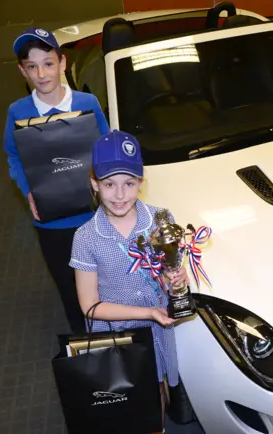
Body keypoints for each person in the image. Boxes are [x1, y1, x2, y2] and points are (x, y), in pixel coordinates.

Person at [70, 130, 192, 426]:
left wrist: (177, 282)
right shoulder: (86, 238)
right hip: (117, 335)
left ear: (141, 182)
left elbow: (167, 274)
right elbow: (90, 306)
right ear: (94, 184)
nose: (120, 194)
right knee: (123, 405)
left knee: (157, 395)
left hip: (157, 329)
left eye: (129, 183)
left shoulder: (161, 220)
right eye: (109, 184)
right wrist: (147, 312)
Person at [3, 27, 110, 334]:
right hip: (52, 222)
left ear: (62, 64)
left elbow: (105, 148)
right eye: (32, 66)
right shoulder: (17, 112)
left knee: (104, 278)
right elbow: (13, 156)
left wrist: (107, 185)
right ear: (22, 70)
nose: (41, 74)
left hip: (93, 213)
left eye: (48, 63)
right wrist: (29, 193)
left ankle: (117, 337)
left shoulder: (87, 103)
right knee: (68, 284)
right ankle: (85, 344)